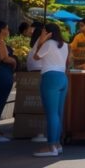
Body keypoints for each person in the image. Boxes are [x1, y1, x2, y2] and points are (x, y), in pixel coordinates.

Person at [32, 23, 68, 157]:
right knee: (59, 113)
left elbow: (35, 57)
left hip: (50, 77)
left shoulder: (48, 44)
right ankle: (57, 144)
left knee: (52, 114)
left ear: (48, 33)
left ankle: (51, 146)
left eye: (43, 32)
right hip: (63, 78)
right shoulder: (65, 45)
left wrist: (41, 40)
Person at [26, 22, 47, 143]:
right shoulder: (42, 42)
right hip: (41, 72)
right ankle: (42, 132)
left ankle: (40, 131)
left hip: (32, 71)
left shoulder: (34, 43)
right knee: (44, 105)